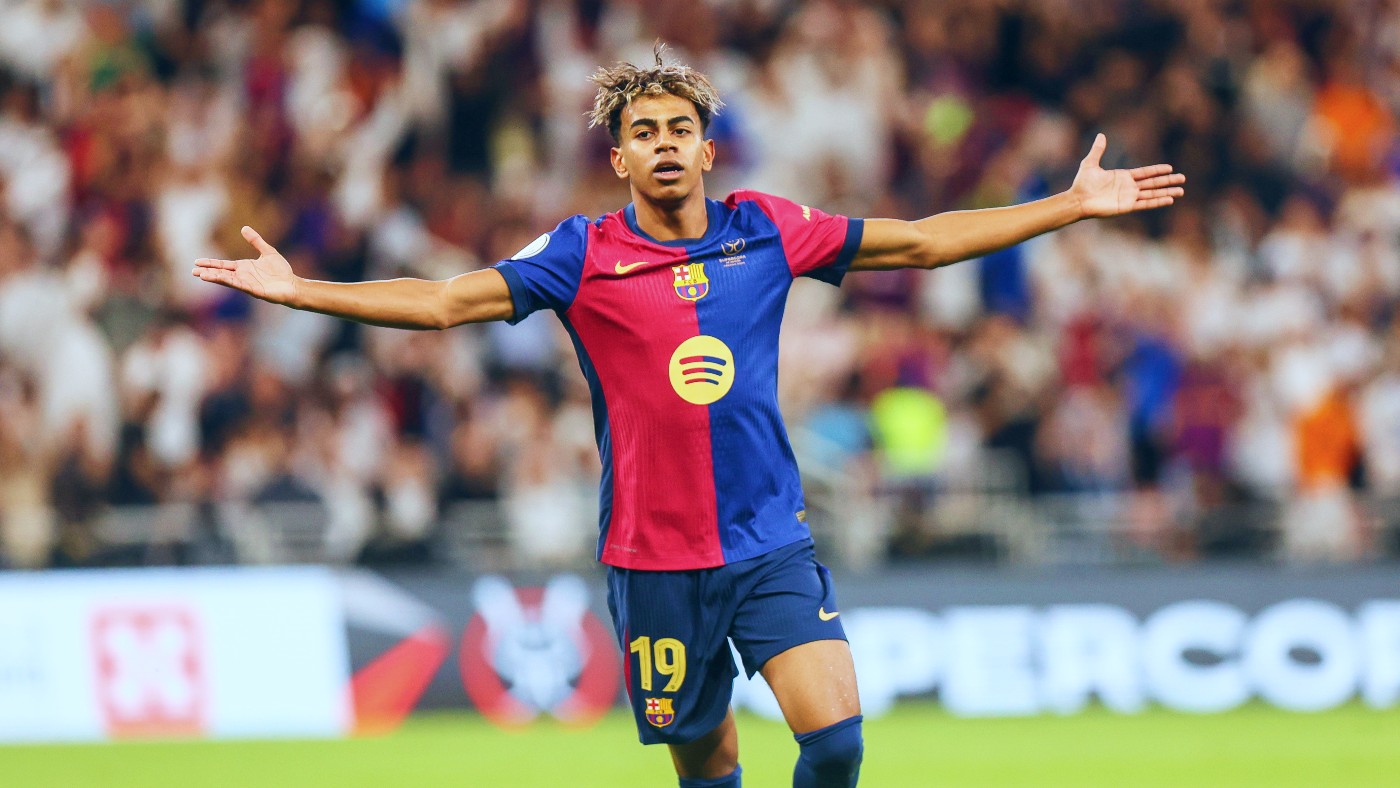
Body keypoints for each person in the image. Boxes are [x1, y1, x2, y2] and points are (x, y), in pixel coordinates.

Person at [193, 49, 1183, 788]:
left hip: (768, 539)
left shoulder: (768, 228)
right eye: (643, 132)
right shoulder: (582, 253)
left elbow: (921, 243)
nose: (663, 144)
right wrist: (301, 290)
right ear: (619, 156)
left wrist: (1066, 206)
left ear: (706, 149)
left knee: (836, 741)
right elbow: (446, 301)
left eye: (678, 129)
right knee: (706, 767)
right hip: (654, 559)